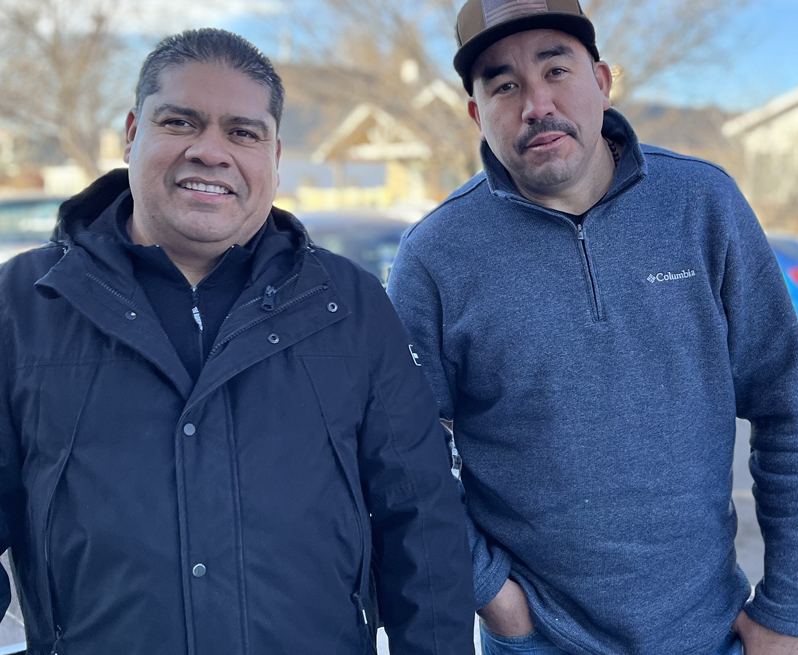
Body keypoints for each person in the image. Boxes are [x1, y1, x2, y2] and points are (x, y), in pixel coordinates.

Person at [0, 28, 476, 655]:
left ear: (275, 156)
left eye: (243, 132)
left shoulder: (350, 305)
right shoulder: (24, 304)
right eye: (180, 122)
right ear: (131, 133)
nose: (210, 151)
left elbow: (422, 524)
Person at [386, 1, 798, 654]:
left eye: (556, 70)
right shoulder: (435, 256)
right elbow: (402, 453)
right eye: (503, 85)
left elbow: (788, 403)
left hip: (711, 635)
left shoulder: (701, 206)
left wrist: (787, 608)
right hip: (538, 643)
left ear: (602, 82)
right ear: (476, 114)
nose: (536, 104)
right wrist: (494, 595)